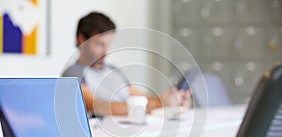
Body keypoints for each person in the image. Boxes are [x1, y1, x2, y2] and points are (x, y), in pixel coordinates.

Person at [62, 12, 191, 116]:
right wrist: (158, 103)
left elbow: (144, 99)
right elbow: (96, 106)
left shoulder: (113, 70)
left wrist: (172, 102)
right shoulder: (73, 73)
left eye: (108, 44)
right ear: (81, 40)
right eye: (100, 44)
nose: (105, 51)